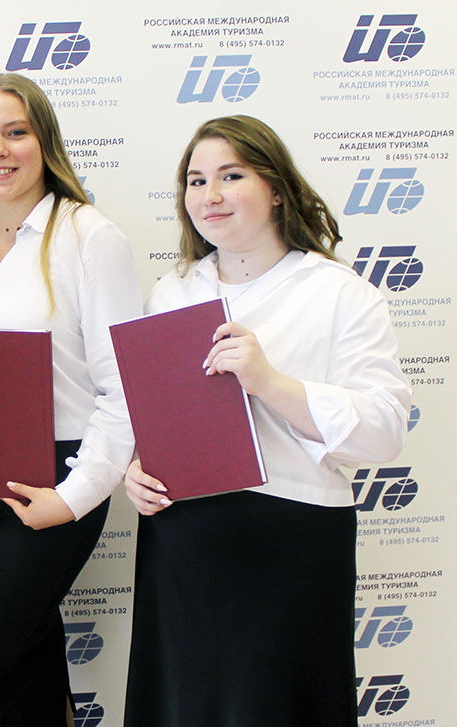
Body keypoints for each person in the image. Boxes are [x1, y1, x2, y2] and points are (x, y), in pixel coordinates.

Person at [122, 115, 411, 727]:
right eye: (196, 180)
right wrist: (138, 470)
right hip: (182, 541)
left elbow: (385, 429)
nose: (210, 195)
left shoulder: (339, 292)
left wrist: (271, 383)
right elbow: (153, 418)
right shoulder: (171, 292)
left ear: (276, 188)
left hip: (290, 540)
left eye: (232, 176)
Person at [0, 72, 140, 726]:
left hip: (56, 482)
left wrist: (72, 498)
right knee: (23, 680)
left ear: (45, 142)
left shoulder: (88, 236)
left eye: (15, 132)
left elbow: (124, 388)